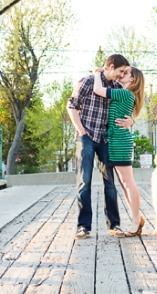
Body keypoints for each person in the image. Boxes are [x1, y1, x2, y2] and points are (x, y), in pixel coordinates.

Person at [67, 54, 133, 239]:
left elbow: (128, 110)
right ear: (110, 67)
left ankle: (114, 225)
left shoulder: (117, 88)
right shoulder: (87, 82)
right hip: (86, 137)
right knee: (84, 182)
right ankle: (83, 227)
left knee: (110, 183)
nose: (122, 75)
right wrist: (80, 130)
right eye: (120, 71)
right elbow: (71, 106)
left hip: (106, 139)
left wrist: (131, 121)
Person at [93, 65, 146, 236]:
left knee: (128, 183)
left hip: (119, 142)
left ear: (132, 79)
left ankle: (136, 220)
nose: (122, 75)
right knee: (124, 184)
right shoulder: (128, 95)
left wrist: (97, 73)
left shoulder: (124, 93)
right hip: (116, 140)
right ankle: (137, 217)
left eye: (126, 73)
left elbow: (98, 89)